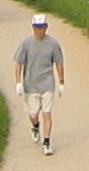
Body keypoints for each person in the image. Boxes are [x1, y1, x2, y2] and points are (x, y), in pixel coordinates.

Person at [14, 12, 68, 156]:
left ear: (46, 27)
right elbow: (19, 62)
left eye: (42, 27)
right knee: (33, 115)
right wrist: (18, 81)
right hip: (30, 84)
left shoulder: (53, 44)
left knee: (47, 114)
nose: (40, 30)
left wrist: (61, 81)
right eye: (37, 27)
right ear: (33, 28)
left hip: (47, 84)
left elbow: (59, 63)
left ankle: (46, 142)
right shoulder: (26, 44)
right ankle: (35, 126)